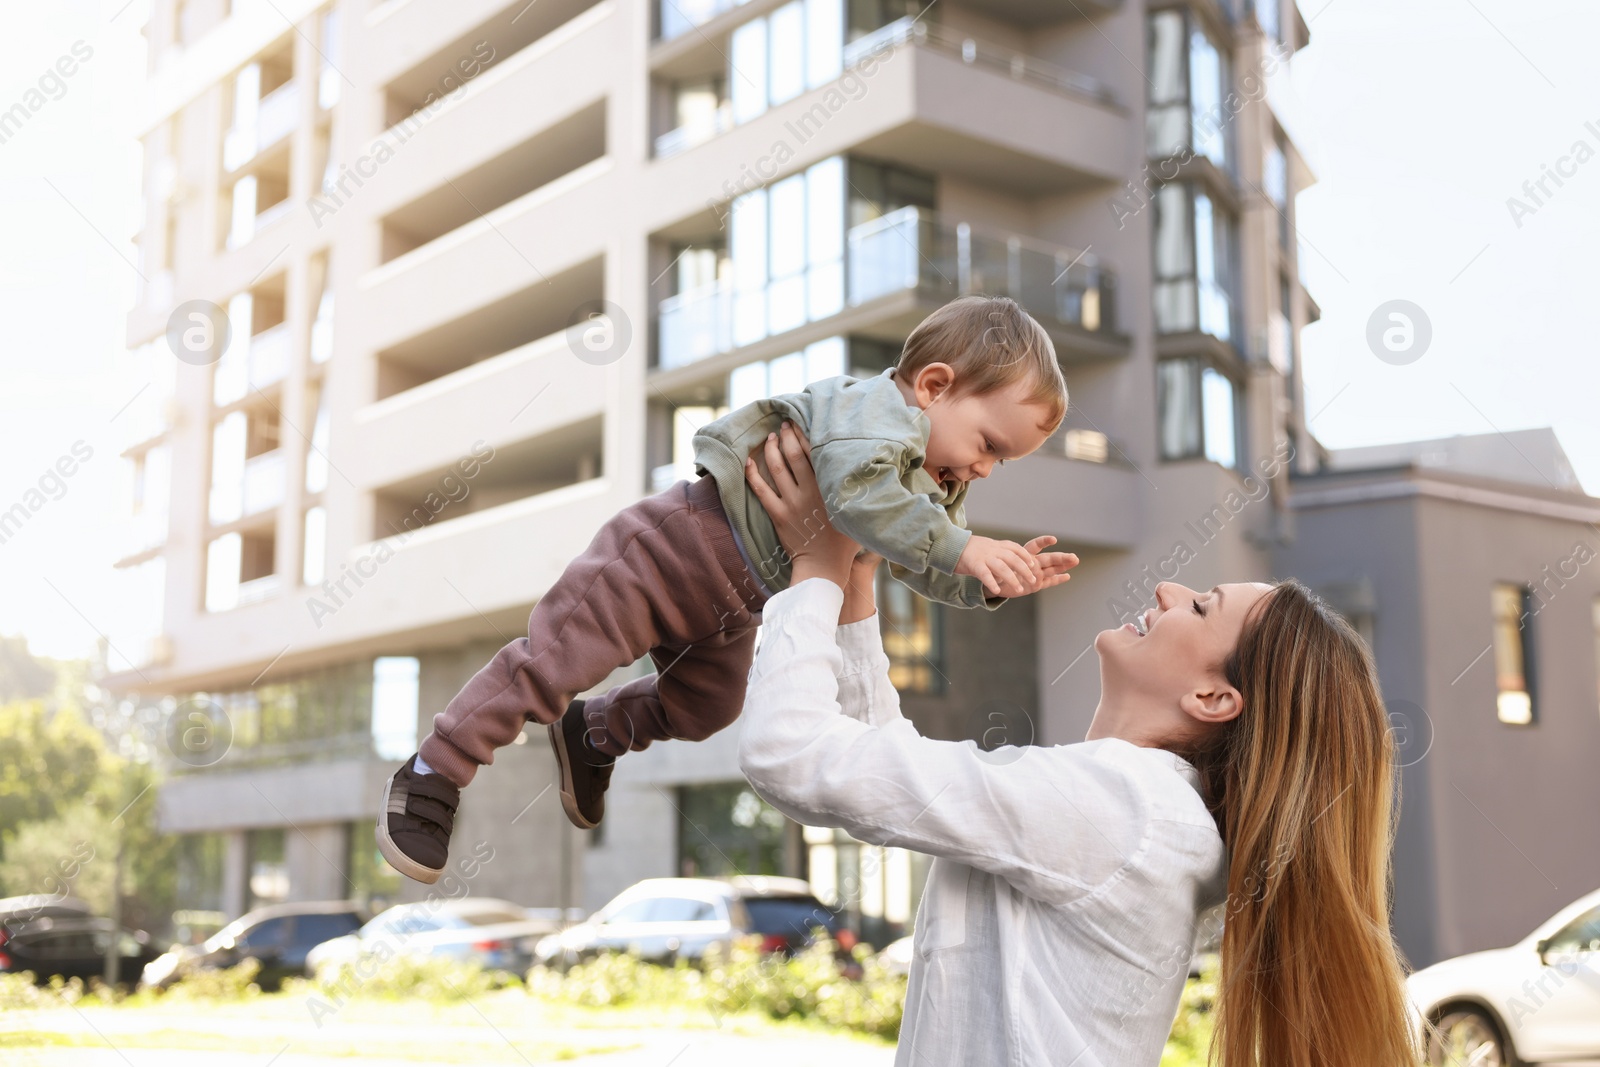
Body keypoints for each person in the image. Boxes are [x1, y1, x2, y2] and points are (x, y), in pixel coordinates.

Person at [738, 423, 1419, 1067]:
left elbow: (790, 755)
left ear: (1213, 699)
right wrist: (856, 586)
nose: (1167, 587)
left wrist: (816, 567)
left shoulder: (1122, 808)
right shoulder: (1149, 815)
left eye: (1203, 605)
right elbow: (887, 775)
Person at [377, 295, 1079, 884]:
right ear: (932, 386)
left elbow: (915, 555)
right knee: (550, 664)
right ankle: (436, 767)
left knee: (708, 705)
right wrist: (965, 546)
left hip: (732, 609)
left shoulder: (932, 480)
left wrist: (985, 579)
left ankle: (593, 733)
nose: (986, 469)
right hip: (667, 553)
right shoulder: (875, 416)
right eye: (989, 443)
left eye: (1002, 460)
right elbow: (860, 501)